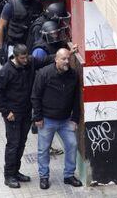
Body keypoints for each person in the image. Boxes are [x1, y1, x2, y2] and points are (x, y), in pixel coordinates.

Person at [0, 44, 54, 188]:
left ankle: (16, 171)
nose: (25, 60)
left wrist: (67, 53)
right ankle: (9, 176)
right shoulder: (6, 71)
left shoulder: (30, 62)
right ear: (15, 56)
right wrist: (6, 112)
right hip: (13, 115)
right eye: (22, 58)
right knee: (13, 144)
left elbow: (46, 60)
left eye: (26, 57)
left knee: (21, 143)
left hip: (26, 112)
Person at [31, 48, 82, 190]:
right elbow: (35, 96)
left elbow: (76, 98)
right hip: (47, 120)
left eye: (68, 59)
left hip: (66, 120)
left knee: (72, 145)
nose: (67, 61)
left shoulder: (73, 75)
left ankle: (69, 175)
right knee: (43, 149)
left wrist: (75, 119)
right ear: (56, 59)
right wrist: (38, 117)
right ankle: (44, 176)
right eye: (63, 59)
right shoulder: (44, 74)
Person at [0, 0, 42, 65]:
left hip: (30, 45)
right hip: (14, 45)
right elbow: (1, 26)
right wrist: (1, 48)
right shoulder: (11, 5)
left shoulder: (37, 4)